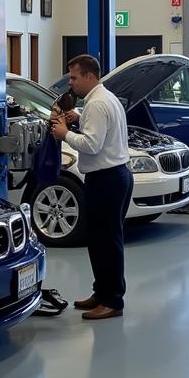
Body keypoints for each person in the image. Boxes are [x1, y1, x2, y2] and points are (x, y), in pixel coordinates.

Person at [51, 54, 133, 320]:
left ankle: (112, 301)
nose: (71, 83)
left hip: (106, 179)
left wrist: (65, 134)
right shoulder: (102, 99)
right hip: (115, 176)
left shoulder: (97, 105)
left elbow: (92, 144)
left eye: (74, 77)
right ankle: (102, 292)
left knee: (107, 242)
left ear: (89, 76)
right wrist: (79, 116)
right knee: (100, 240)